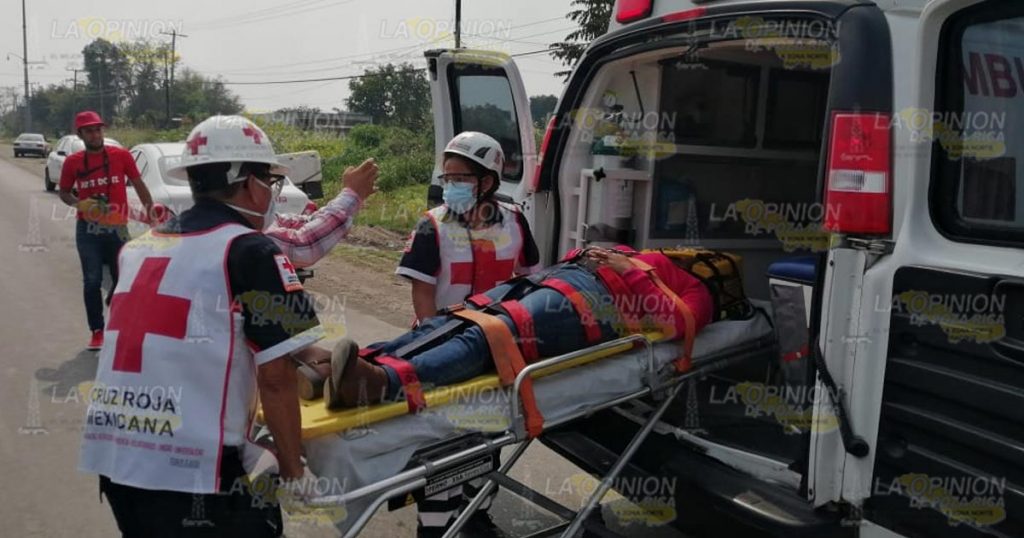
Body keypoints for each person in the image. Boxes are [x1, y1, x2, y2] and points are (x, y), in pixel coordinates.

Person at [78, 115, 342, 537]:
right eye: (270, 184)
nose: (271, 196)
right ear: (249, 183)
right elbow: (275, 379)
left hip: (116, 460)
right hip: (195, 474)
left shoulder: (139, 248)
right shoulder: (251, 250)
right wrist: (293, 470)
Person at [327, 246, 714, 408]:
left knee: (493, 335)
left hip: (597, 305)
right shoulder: (656, 257)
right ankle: (364, 361)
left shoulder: (699, 290)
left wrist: (630, 270)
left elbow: (675, 325)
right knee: (460, 315)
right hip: (563, 278)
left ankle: (383, 384)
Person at [398, 131, 541, 322]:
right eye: (447, 179)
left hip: (496, 332)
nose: (450, 186)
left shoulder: (514, 220)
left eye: (459, 179)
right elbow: (423, 292)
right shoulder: (431, 225)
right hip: (443, 333)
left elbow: (532, 278)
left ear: (487, 182)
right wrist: (431, 335)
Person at [59, 110, 155, 350]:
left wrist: (151, 212)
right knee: (92, 280)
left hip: (117, 228)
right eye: (89, 131)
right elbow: (63, 192)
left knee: (124, 277)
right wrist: (78, 203)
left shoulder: (120, 156)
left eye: (98, 129)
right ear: (80, 134)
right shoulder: (72, 162)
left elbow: (139, 184)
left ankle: (116, 308)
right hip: (88, 229)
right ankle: (97, 330)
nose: (95, 134)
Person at [264, 158, 379, 268]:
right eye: (266, 182)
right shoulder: (250, 229)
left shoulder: (262, 219)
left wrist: (351, 196)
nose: (269, 191)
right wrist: (352, 194)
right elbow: (301, 247)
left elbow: (306, 222)